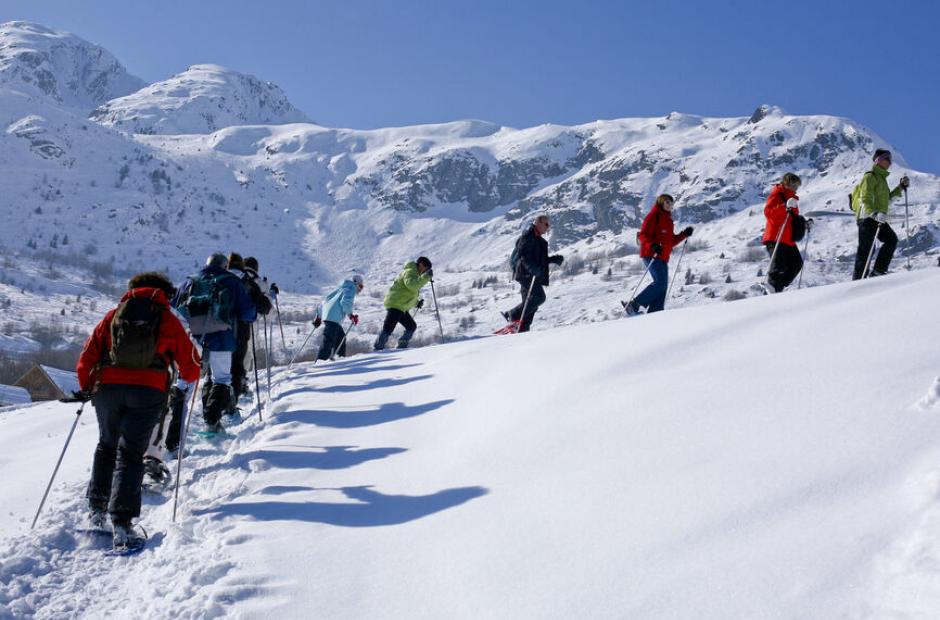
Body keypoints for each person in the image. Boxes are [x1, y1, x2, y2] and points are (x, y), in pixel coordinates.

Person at [76, 272, 201, 548]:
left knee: (106, 445)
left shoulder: (113, 315)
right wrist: (189, 375)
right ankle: (122, 525)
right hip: (148, 391)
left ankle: (96, 511)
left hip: (108, 390)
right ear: (164, 293)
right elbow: (190, 365)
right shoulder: (167, 318)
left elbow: (87, 356)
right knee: (131, 454)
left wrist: (87, 386)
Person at [173, 253, 256, 433]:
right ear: (225, 266)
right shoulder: (232, 282)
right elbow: (248, 312)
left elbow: (173, 309)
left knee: (185, 383)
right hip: (221, 337)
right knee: (221, 379)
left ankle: (172, 437)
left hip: (191, 339)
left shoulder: (189, 282)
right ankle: (211, 423)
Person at [624, 195, 693, 315]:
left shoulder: (668, 220)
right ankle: (634, 305)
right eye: (667, 202)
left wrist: (684, 234)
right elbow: (642, 235)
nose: (669, 205)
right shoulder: (653, 216)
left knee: (662, 286)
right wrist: (653, 245)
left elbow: (670, 242)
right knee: (660, 283)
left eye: (671, 203)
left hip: (663, 257)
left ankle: (655, 314)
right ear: (661, 202)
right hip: (652, 254)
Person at [851, 148, 910, 279]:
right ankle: (857, 281)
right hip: (867, 217)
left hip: (879, 218)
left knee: (891, 240)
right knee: (866, 250)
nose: (890, 162)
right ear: (878, 160)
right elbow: (865, 197)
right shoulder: (870, 176)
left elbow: (887, 200)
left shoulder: (882, 180)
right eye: (887, 158)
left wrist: (900, 187)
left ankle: (878, 271)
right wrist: (873, 213)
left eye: (890, 159)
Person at [227, 252, 271, 412]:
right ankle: (239, 385)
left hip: (221, 325)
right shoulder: (254, 281)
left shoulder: (227, 277)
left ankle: (219, 396)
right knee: (242, 358)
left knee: (223, 363)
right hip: (247, 323)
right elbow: (266, 305)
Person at [504, 215, 563, 332]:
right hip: (525, 274)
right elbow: (523, 255)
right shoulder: (528, 236)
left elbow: (539, 260)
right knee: (539, 297)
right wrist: (532, 269)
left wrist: (553, 259)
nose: (548, 227)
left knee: (530, 306)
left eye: (549, 225)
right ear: (538, 223)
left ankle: (522, 330)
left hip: (532, 274)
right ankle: (512, 314)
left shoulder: (539, 240)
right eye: (546, 224)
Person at [374, 257, 433, 350]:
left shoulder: (415, 275)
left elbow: (408, 293)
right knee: (388, 328)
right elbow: (412, 286)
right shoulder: (410, 271)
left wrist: (416, 303)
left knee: (411, 326)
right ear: (421, 265)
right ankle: (377, 348)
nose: (426, 271)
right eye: (426, 269)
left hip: (401, 306)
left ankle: (401, 347)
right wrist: (425, 277)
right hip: (395, 304)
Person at [761, 173, 806, 293]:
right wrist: (784, 207)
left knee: (797, 264)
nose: (796, 188)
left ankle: (778, 287)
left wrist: (804, 224)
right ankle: (773, 287)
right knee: (778, 266)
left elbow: (792, 218)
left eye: (797, 186)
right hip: (776, 236)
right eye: (794, 185)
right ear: (787, 183)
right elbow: (768, 212)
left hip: (788, 239)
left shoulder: (792, 199)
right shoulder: (777, 194)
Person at [315, 274, 363, 359]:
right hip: (334, 318)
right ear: (356, 284)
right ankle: (320, 362)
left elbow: (325, 301)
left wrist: (318, 317)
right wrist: (351, 316)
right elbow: (345, 303)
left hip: (329, 317)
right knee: (328, 341)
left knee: (340, 338)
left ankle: (339, 359)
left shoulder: (339, 289)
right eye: (361, 286)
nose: (360, 290)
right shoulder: (351, 288)